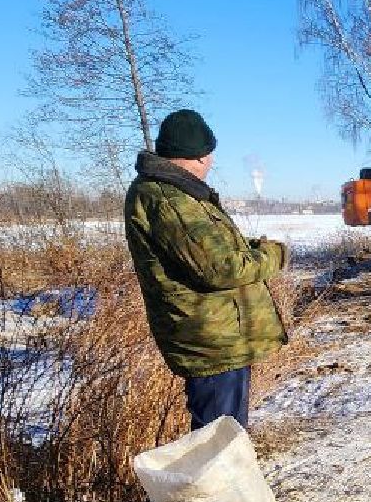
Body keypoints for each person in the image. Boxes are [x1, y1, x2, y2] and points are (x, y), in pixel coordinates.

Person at [124, 109, 289, 430]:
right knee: (218, 444)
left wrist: (250, 246)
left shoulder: (177, 193)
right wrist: (272, 256)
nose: (211, 163)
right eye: (209, 156)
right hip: (210, 341)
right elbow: (220, 267)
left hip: (219, 336)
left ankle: (226, 481)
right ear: (196, 157)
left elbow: (206, 249)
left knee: (226, 439)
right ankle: (216, 483)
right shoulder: (170, 199)